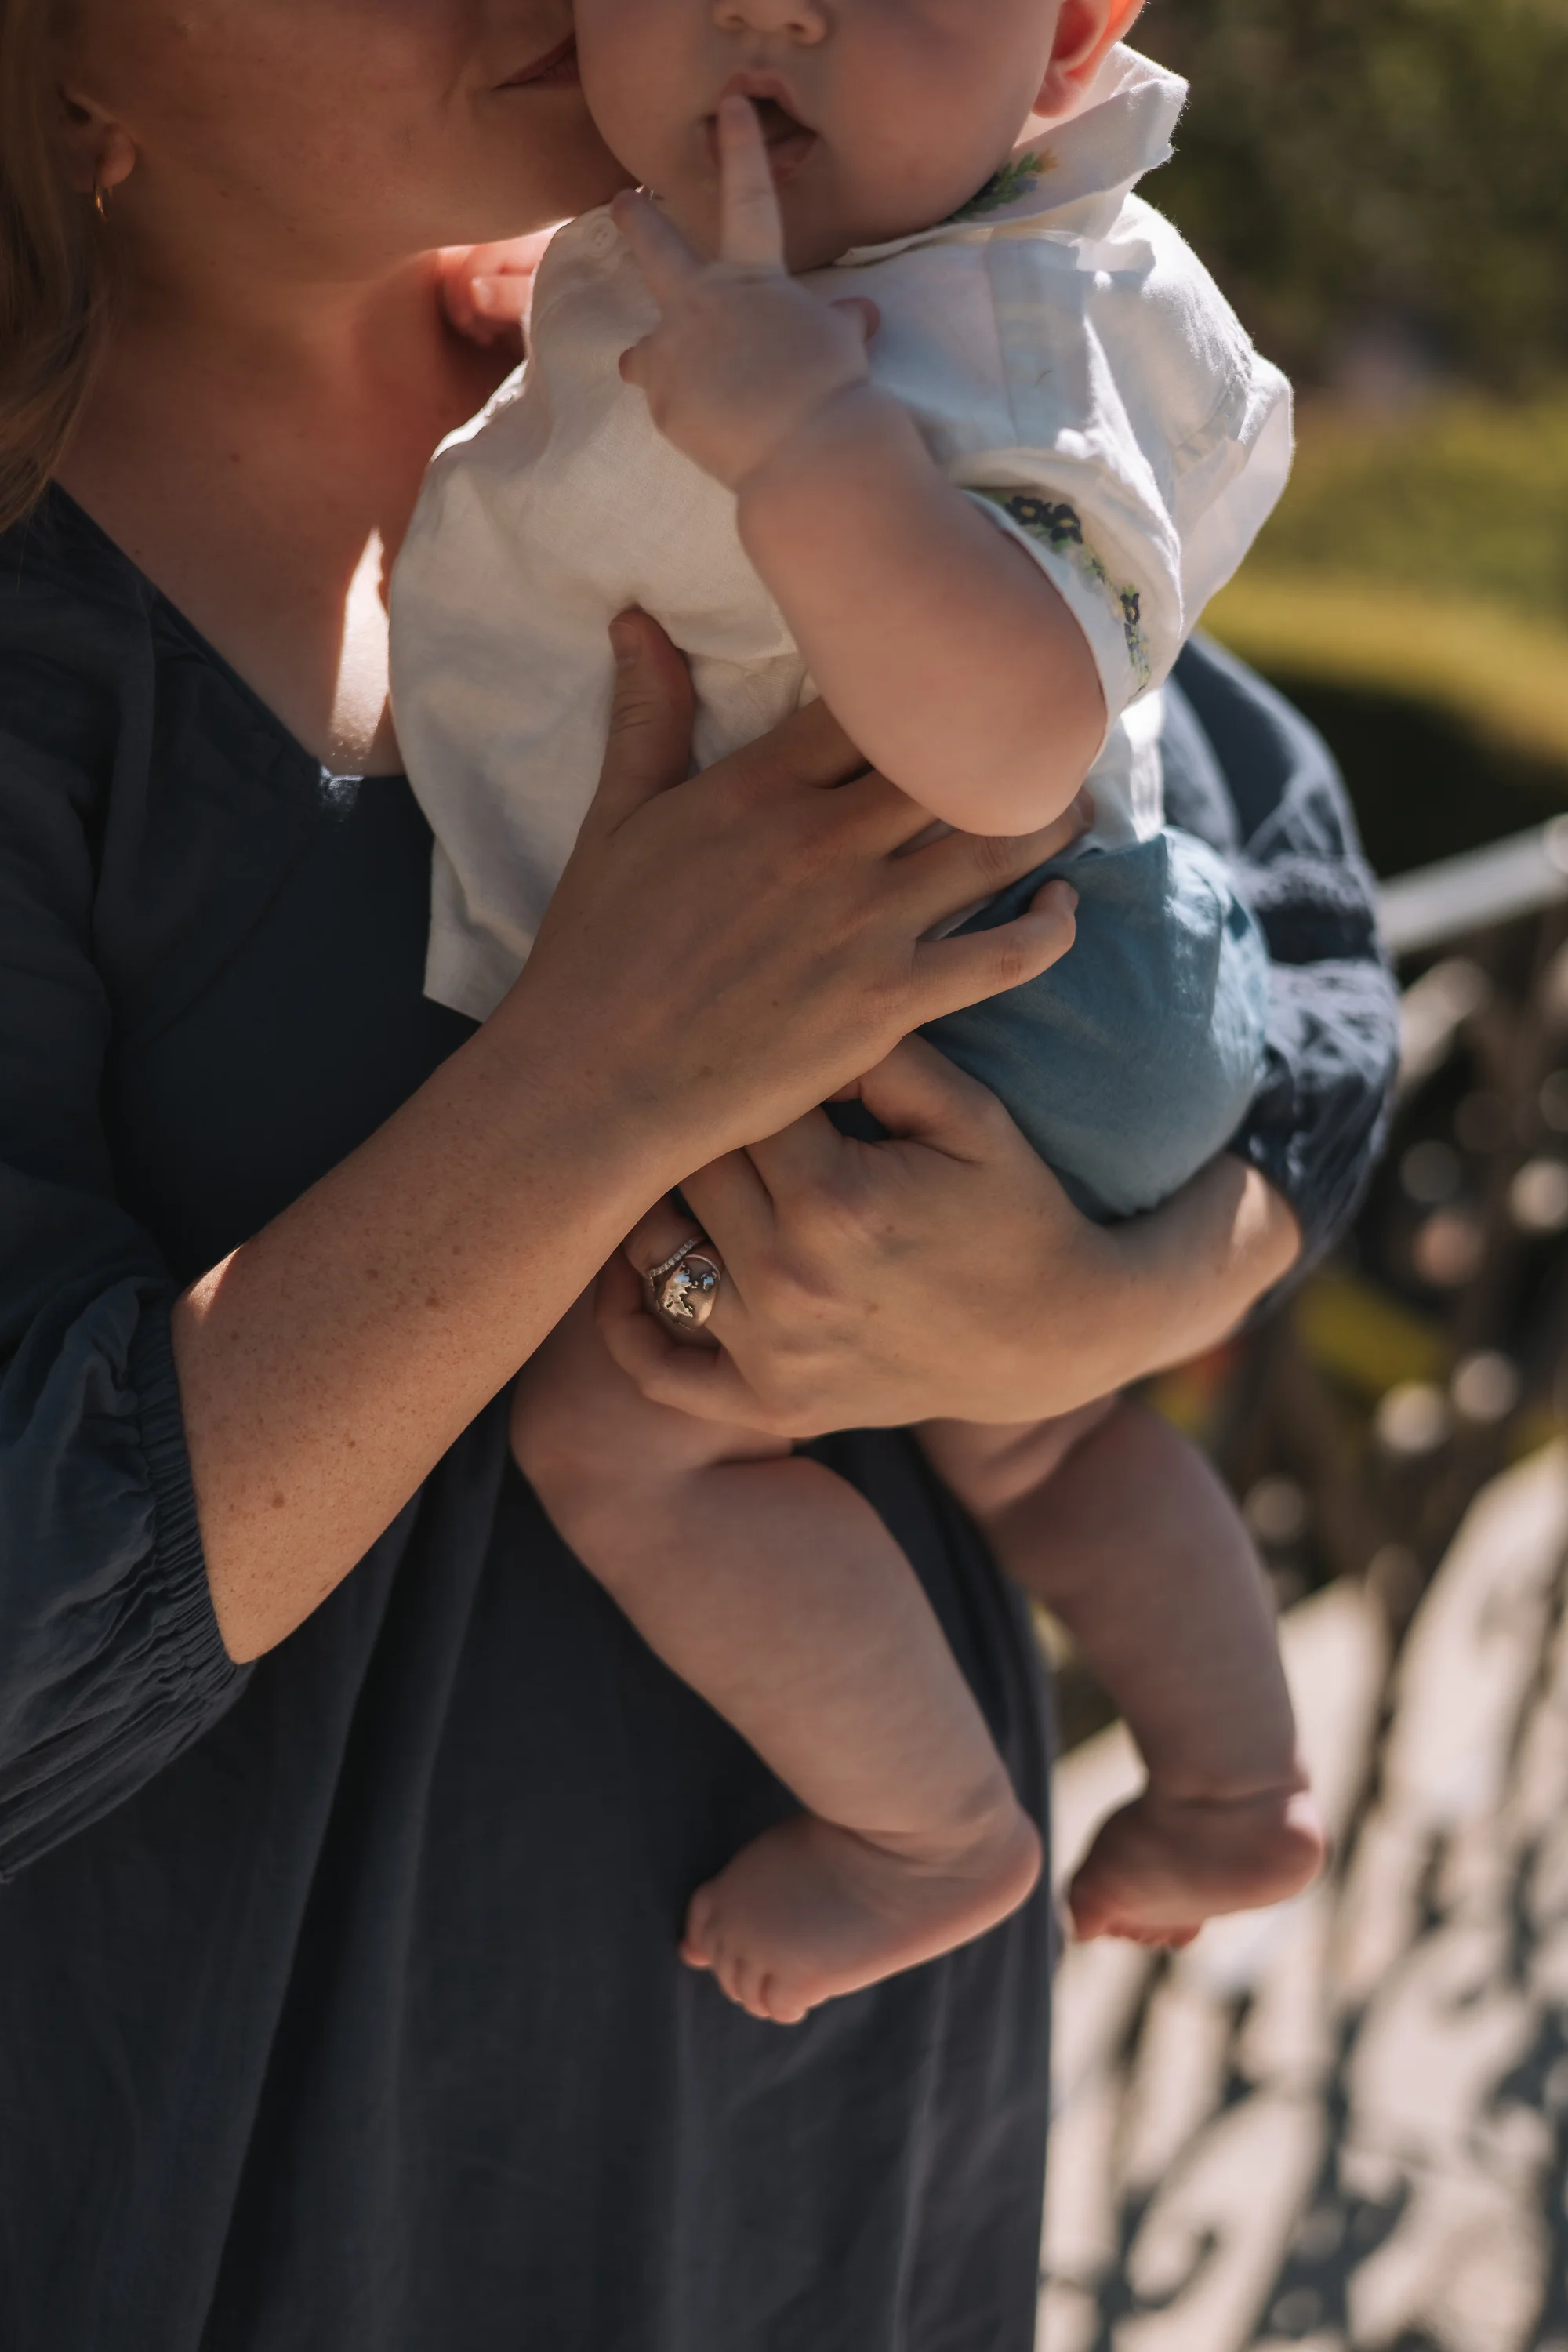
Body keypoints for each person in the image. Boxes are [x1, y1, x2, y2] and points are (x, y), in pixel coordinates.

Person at [0, 2, 1396, 2347]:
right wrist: (591, 1092)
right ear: (60, 73)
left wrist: (1098, 1303)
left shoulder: (734, 293)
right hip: (308, 2152)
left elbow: (1286, 940)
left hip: (835, 2114)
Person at [391, 0, 1319, 2028]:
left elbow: (1012, 739)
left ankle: (928, 1833)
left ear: (1065, 46)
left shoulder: (1010, 330)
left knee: (624, 1440)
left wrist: (809, 446)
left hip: (995, 984)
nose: (772, 11)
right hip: (1034, 995)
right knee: (1040, 1432)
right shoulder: (809, 257)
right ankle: (1237, 1784)